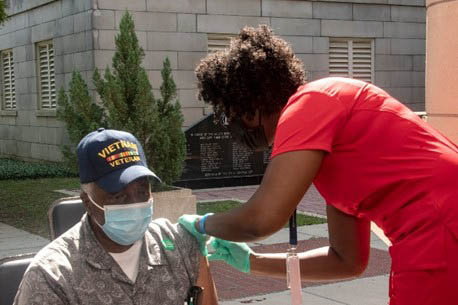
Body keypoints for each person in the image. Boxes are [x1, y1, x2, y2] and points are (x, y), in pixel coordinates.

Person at [179, 25, 458, 305]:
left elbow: (261, 219)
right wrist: (254, 261)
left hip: (440, 226)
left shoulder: (311, 103)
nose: (235, 127)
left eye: (232, 114)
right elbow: (346, 260)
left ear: (251, 99)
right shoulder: (327, 153)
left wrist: (202, 224)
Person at [14, 129, 218, 305]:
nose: (134, 204)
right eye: (118, 195)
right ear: (87, 201)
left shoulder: (180, 246)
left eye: (142, 191)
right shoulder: (51, 277)